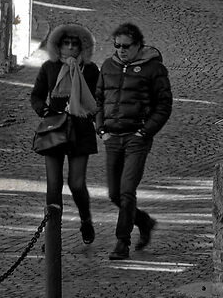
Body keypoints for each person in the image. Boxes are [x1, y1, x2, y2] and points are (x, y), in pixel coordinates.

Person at [96, 21, 171, 261]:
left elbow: (163, 105)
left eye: (126, 46)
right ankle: (144, 222)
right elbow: (97, 100)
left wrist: (145, 131)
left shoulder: (153, 70)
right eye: (117, 45)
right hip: (112, 138)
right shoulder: (108, 66)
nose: (121, 50)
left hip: (136, 139)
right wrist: (101, 130)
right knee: (114, 194)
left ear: (138, 46)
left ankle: (122, 242)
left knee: (127, 191)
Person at [29, 24, 101, 243]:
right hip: (56, 127)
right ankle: (52, 238)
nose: (70, 48)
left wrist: (88, 113)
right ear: (57, 45)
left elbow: (98, 98)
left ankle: (86, 219)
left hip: (80, 128)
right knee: (53, 185)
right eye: (66, 43)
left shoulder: (90, 70)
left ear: (83, 47)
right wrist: (45, 110)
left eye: (75, 44)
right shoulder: (49, 67)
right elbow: (37, 96)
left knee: (77, 183)